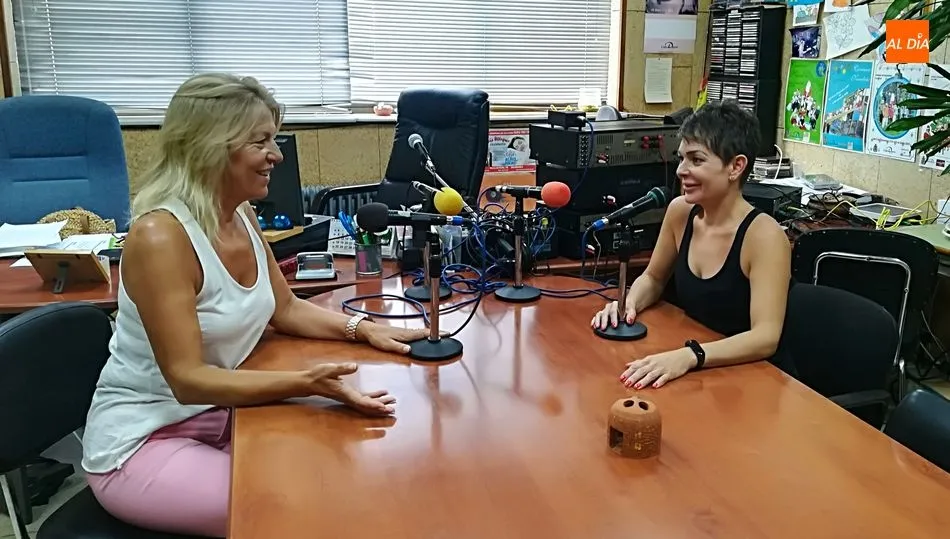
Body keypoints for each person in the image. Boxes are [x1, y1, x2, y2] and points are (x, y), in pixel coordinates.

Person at [80, 73, 428, 537]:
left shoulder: (239, 213)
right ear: (211, 145)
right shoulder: (160, 236)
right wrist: (307, 383)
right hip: (144, 439)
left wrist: (362, 329)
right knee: (296, 511)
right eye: (260, 141)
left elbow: (284, 309)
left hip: (221, 417)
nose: (277, 155)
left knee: (345, 471)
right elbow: (187, 380)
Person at [590, 100, 791, 390]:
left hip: (749, 380)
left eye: (696, 160)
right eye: (681, 158)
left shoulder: (764, 237)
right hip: (699, 369)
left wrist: (691, 355)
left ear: (736, 167)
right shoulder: (680, 212)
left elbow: (765, 337)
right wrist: (627, 304)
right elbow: (654, 277)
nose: (681, 170)